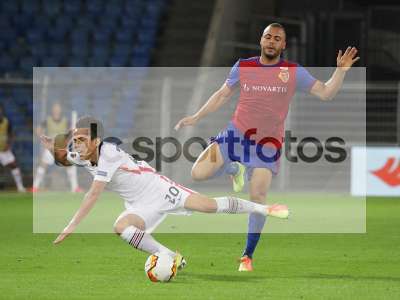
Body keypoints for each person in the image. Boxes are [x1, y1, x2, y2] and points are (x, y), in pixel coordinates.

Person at [174, 23, 360, 271]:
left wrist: (341, 71)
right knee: (197, 174)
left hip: (267, 145)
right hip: (236, 134)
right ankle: (234, 170)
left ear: (283, 45)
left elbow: (326, 93)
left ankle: (247, 256)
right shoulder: (244, 65)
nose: (271, 41)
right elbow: (221, 94)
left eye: (277, 39)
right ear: (261, 41)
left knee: (258, 198)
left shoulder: (293, 72)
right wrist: (196, 117)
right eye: (268, 37)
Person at [42, 116, 289, 270]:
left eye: (82, 138)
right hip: (138, 204)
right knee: (122, 227)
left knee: (208, 206)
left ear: (96, 141)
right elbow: (66, 155)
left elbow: (93, 195)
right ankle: (169, 256)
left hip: (158, 189)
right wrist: (52, 143)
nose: (77, 144)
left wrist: (71, 225)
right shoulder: (82, 153)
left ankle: (264, 208)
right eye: (76, 138)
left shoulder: (108, 154)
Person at [32, 102, 82, 192]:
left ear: (60, 110)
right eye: (55, 108)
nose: (56, 110)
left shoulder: (65, 121)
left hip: (62, 147)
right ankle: (35, 187)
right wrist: (43, 139)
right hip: (50, 147)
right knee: (43, 165)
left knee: (70, 165)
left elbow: (72, 131)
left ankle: (75, 188)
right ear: (52, 110)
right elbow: (38, 130)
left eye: (58, 108)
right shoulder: (48, 120)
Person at [0, 104, 25, 192]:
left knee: (14, 165)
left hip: (4, 150)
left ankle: (20, 187)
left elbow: (11, 134)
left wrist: (9, 144)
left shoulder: (7, 122)